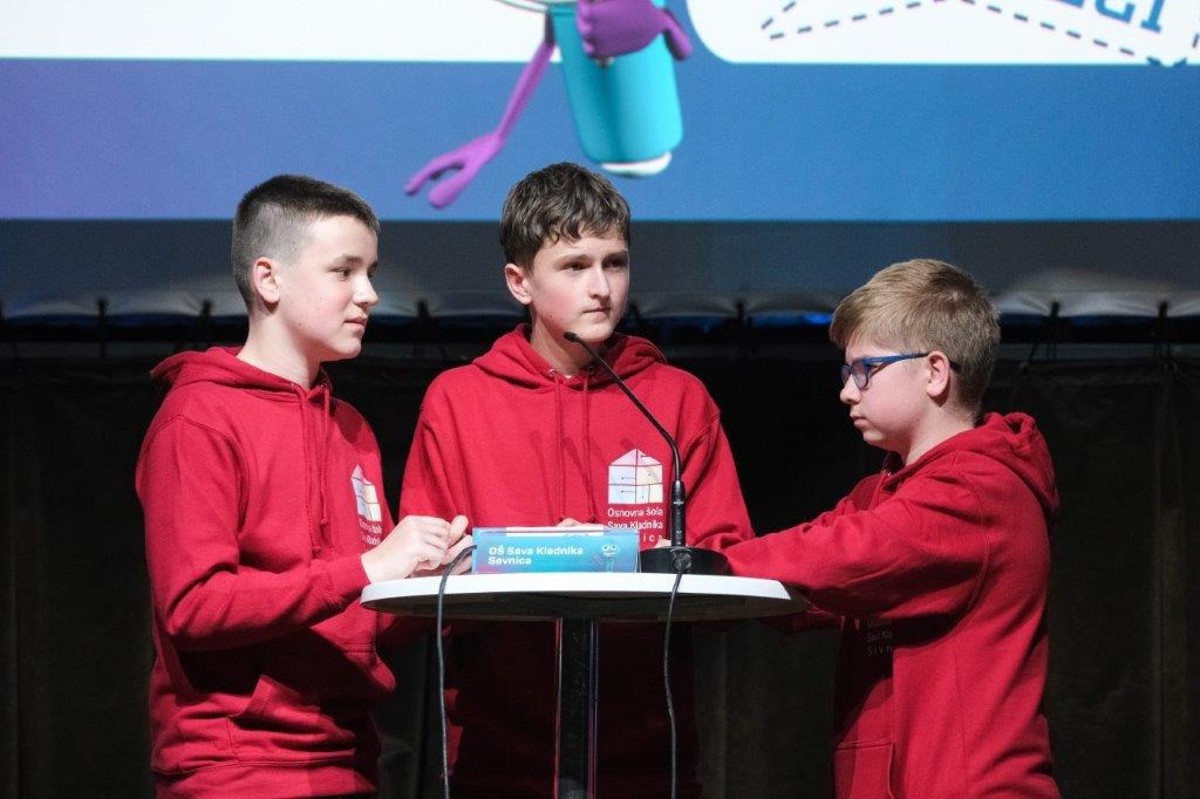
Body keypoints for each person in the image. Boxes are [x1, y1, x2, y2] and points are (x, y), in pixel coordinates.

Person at [398, 161, 753, 796]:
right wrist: (535, 556)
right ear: (519, 282)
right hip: (499, 763)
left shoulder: (675, 401)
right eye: (574, 266)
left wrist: (635, 560)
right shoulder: (458, 402)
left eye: (614, 263)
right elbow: (420, 585)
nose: (601, 288)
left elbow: (726, 565)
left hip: (646, 762)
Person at [135, 174, 471, 797]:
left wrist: (429, 586)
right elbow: (193, 607)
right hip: (236, 768)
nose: (369, 294)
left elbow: (361, 624)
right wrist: (367, 569)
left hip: (349, 759)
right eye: (344, 271)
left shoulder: (352, 429)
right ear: (269, 279)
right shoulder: (198, 419)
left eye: (370, 272)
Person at [724, 259, 1060, 798]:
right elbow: (804, 593)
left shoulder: (979, 489)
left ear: (934, 371)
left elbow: (849, 555)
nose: (847, 392)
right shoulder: (882, 493)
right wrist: (698, 576)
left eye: (866, 369)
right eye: (847, 373)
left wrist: (712, 563)